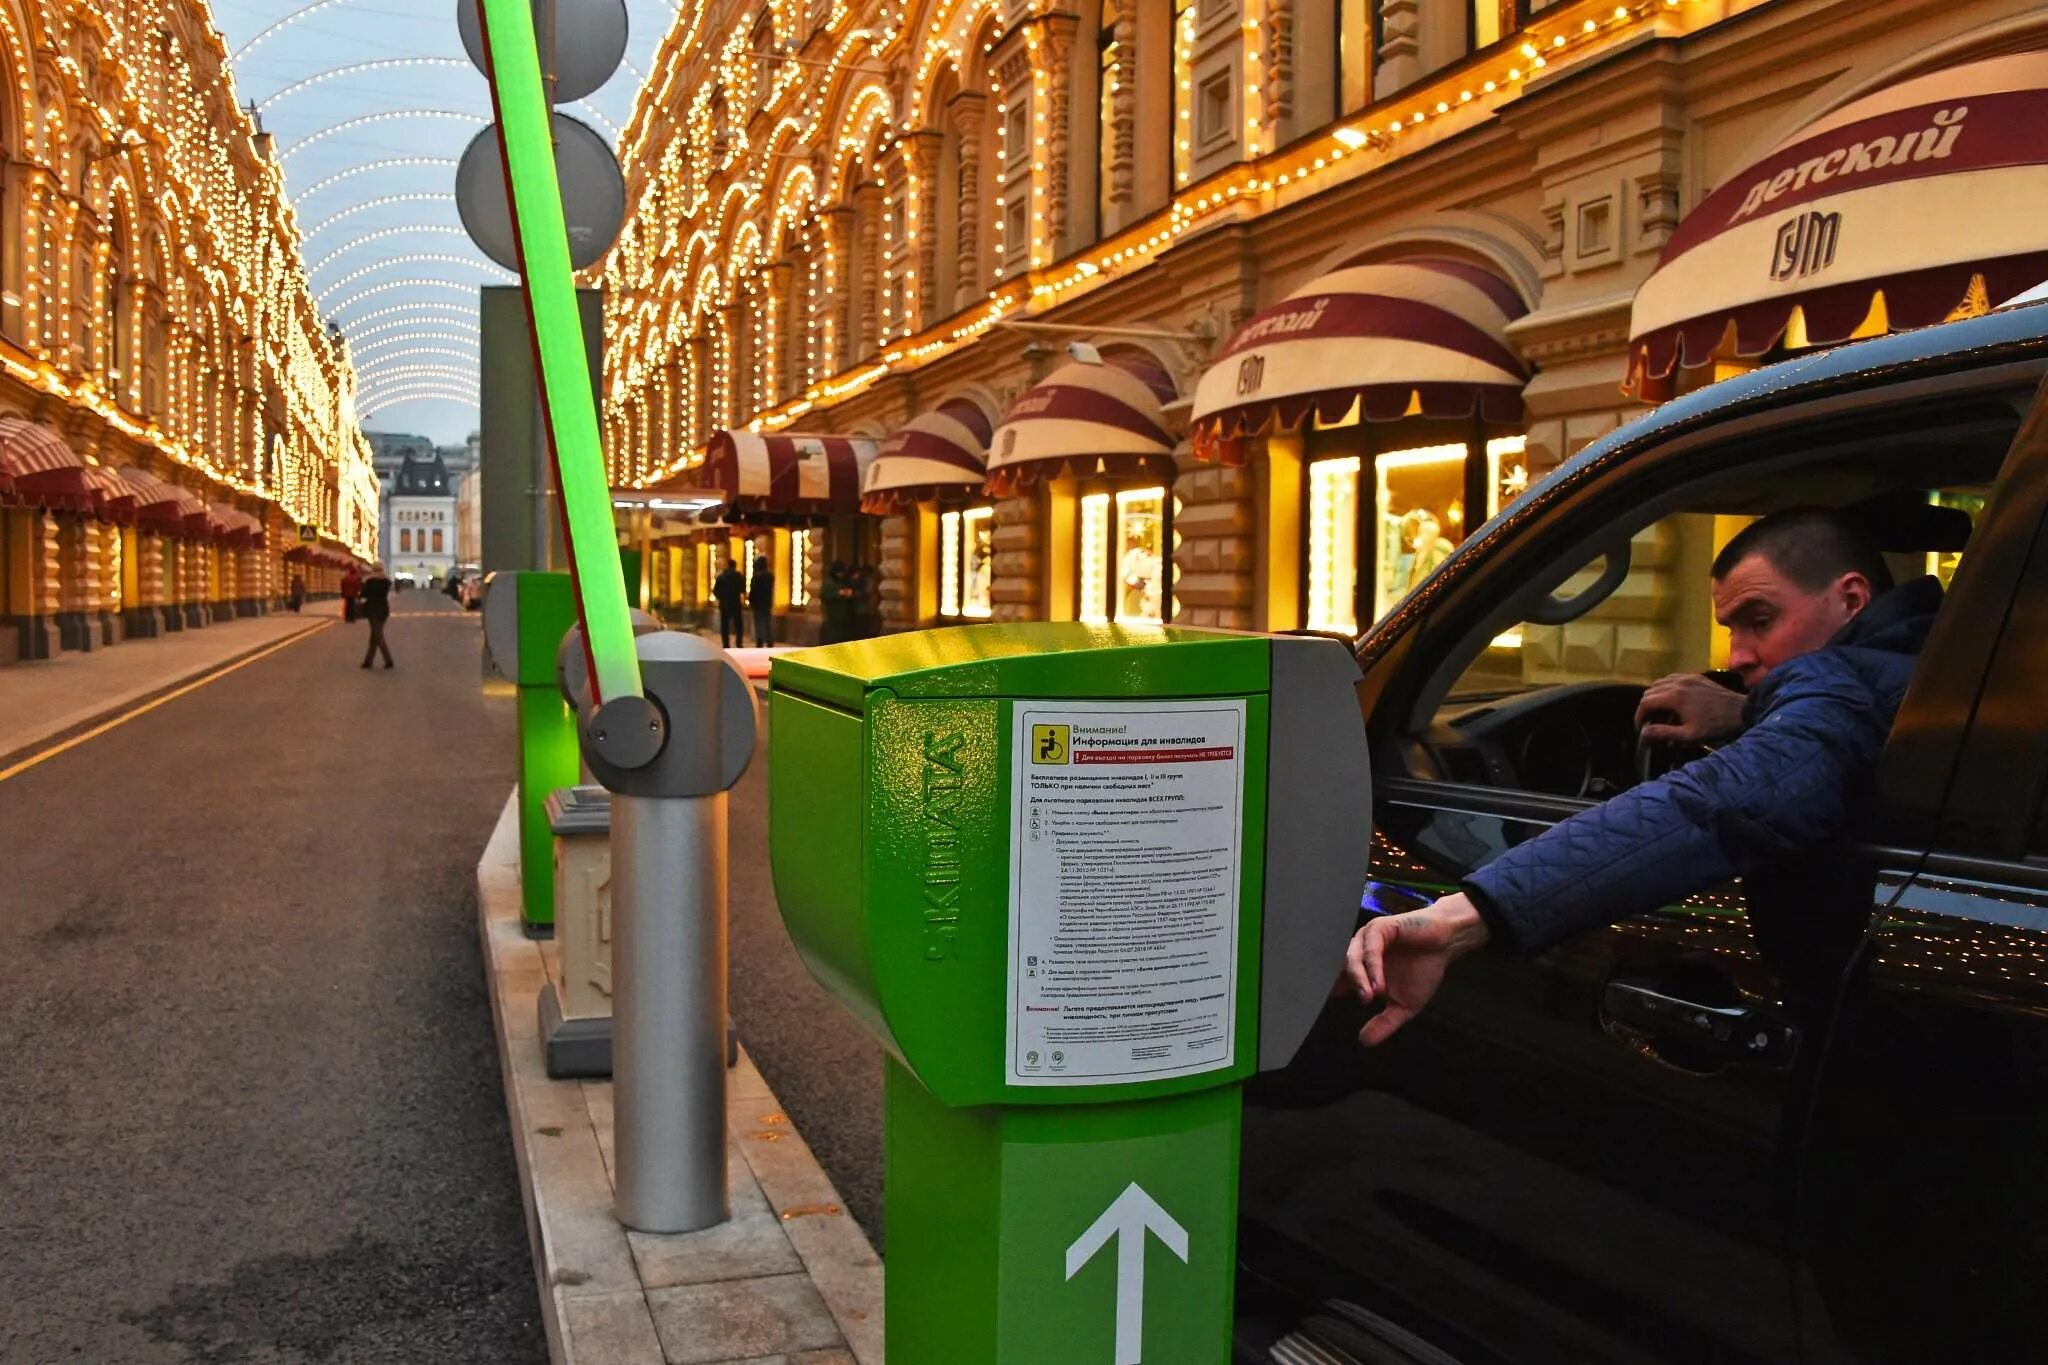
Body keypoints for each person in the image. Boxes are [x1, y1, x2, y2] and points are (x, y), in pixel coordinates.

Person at [1346, 508, 1943, 1046]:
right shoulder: (1931, 666)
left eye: (1760, 620)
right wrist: (1747, 710)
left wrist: (1464, 917)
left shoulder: (1836, 685)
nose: (1737, 656)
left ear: (1853, 599)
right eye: (1731, 628)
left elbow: (1720, 802)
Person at [357, 563, 394, 670]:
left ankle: (389, 660)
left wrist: (363, 583)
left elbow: (363, 595)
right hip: (383, 610)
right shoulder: (386, 581)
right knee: (374, 636)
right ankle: (368, 661)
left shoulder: (369, 581)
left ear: (373, 569)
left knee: (378, 636)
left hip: (373, 610)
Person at [712, 557, 747, 649]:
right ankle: (739, 643)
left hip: (724, 604)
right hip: (736, 604)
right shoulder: (739, 576)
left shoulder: (721, 577)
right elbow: (743, 589)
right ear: (735, 566)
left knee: (725, 625)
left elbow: (715, 591)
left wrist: (721, 597)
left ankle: (726, 644)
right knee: (738, 625)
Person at [749, 548, 776, 648]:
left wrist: (751, 601)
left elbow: (753, 591)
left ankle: (759, 640)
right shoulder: (770, 576)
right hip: (767, 602)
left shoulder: (756, 577)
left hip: (757, 603)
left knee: (758, 622)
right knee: (767, 622)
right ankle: (769, 640)